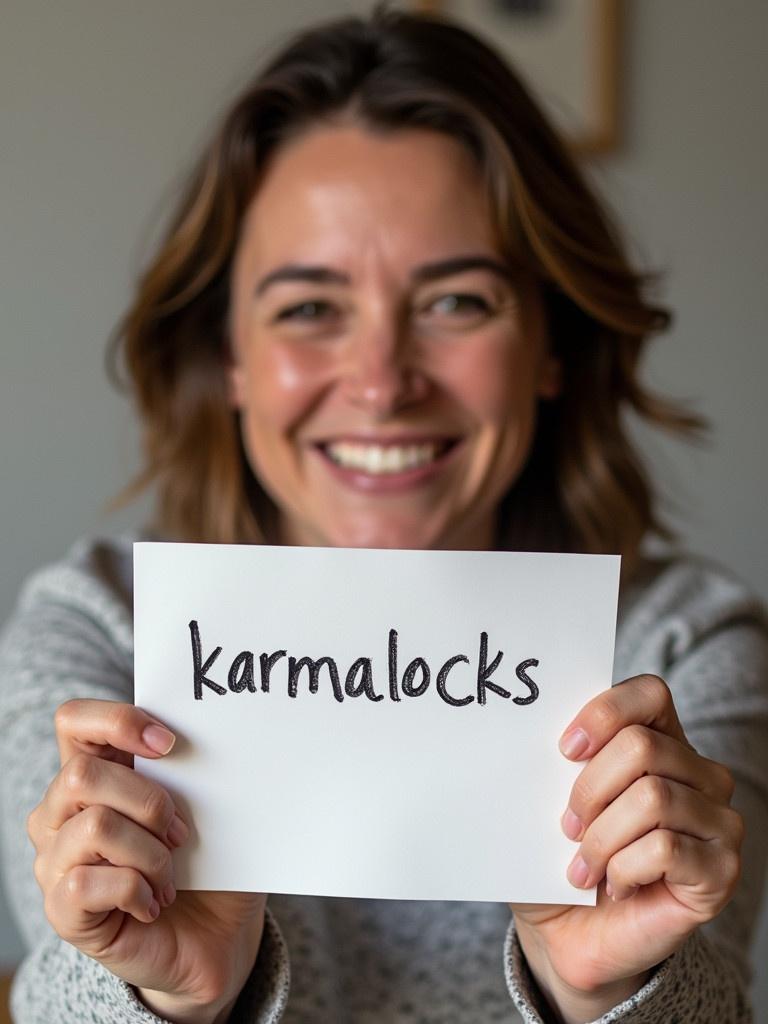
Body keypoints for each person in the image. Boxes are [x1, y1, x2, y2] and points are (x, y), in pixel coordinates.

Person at [1, 6, 766, 1023]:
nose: (381, 383)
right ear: (230, 355)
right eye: (310, 308)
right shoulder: (97, 634)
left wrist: (611, 987)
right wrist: (169, 994)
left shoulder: (682, 650)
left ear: (549, 343)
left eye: (456, 302)